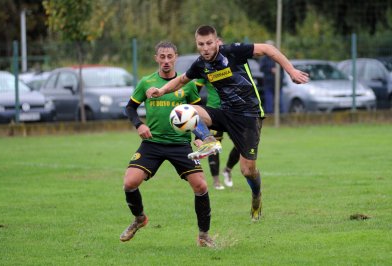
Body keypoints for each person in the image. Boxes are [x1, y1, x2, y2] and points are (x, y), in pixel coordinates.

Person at [146, 25, 309, 222]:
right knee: (183, 111)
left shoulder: (232, 52)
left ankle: (256, 195)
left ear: (216, 42)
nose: (205, 48)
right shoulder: (200, 64)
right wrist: (162, 91)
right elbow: (181, 80)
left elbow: (268, 49)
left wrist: (291, 71)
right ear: (196, 44)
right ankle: (208, 140)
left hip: (249, 116)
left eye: (209, 43)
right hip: (226, 113)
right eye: (201, 44)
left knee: (247, 170)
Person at [120, 41, 215, 247]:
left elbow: (199, 114)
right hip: (152, 143)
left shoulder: (187, 85)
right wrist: (139, 125)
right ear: (156, 58)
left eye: (169, 56)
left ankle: (204, 236)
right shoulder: (146, 82)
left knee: (201, 186)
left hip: (180, 145)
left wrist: (201, 135)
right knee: (129, 182)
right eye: (162, 57)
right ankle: (139, 219)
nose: (166, 61)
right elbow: (129, 108)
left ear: (176, 57)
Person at [259, 40, 284, 114]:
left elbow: (282, 69)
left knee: (280, 101)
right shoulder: (264, 59)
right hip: (268, 83)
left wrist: (280, 75)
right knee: (269, 101)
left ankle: (281, 115)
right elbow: (261, 68)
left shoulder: (278, 56)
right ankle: (270, 115)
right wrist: (270, 70)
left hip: (278, 83)